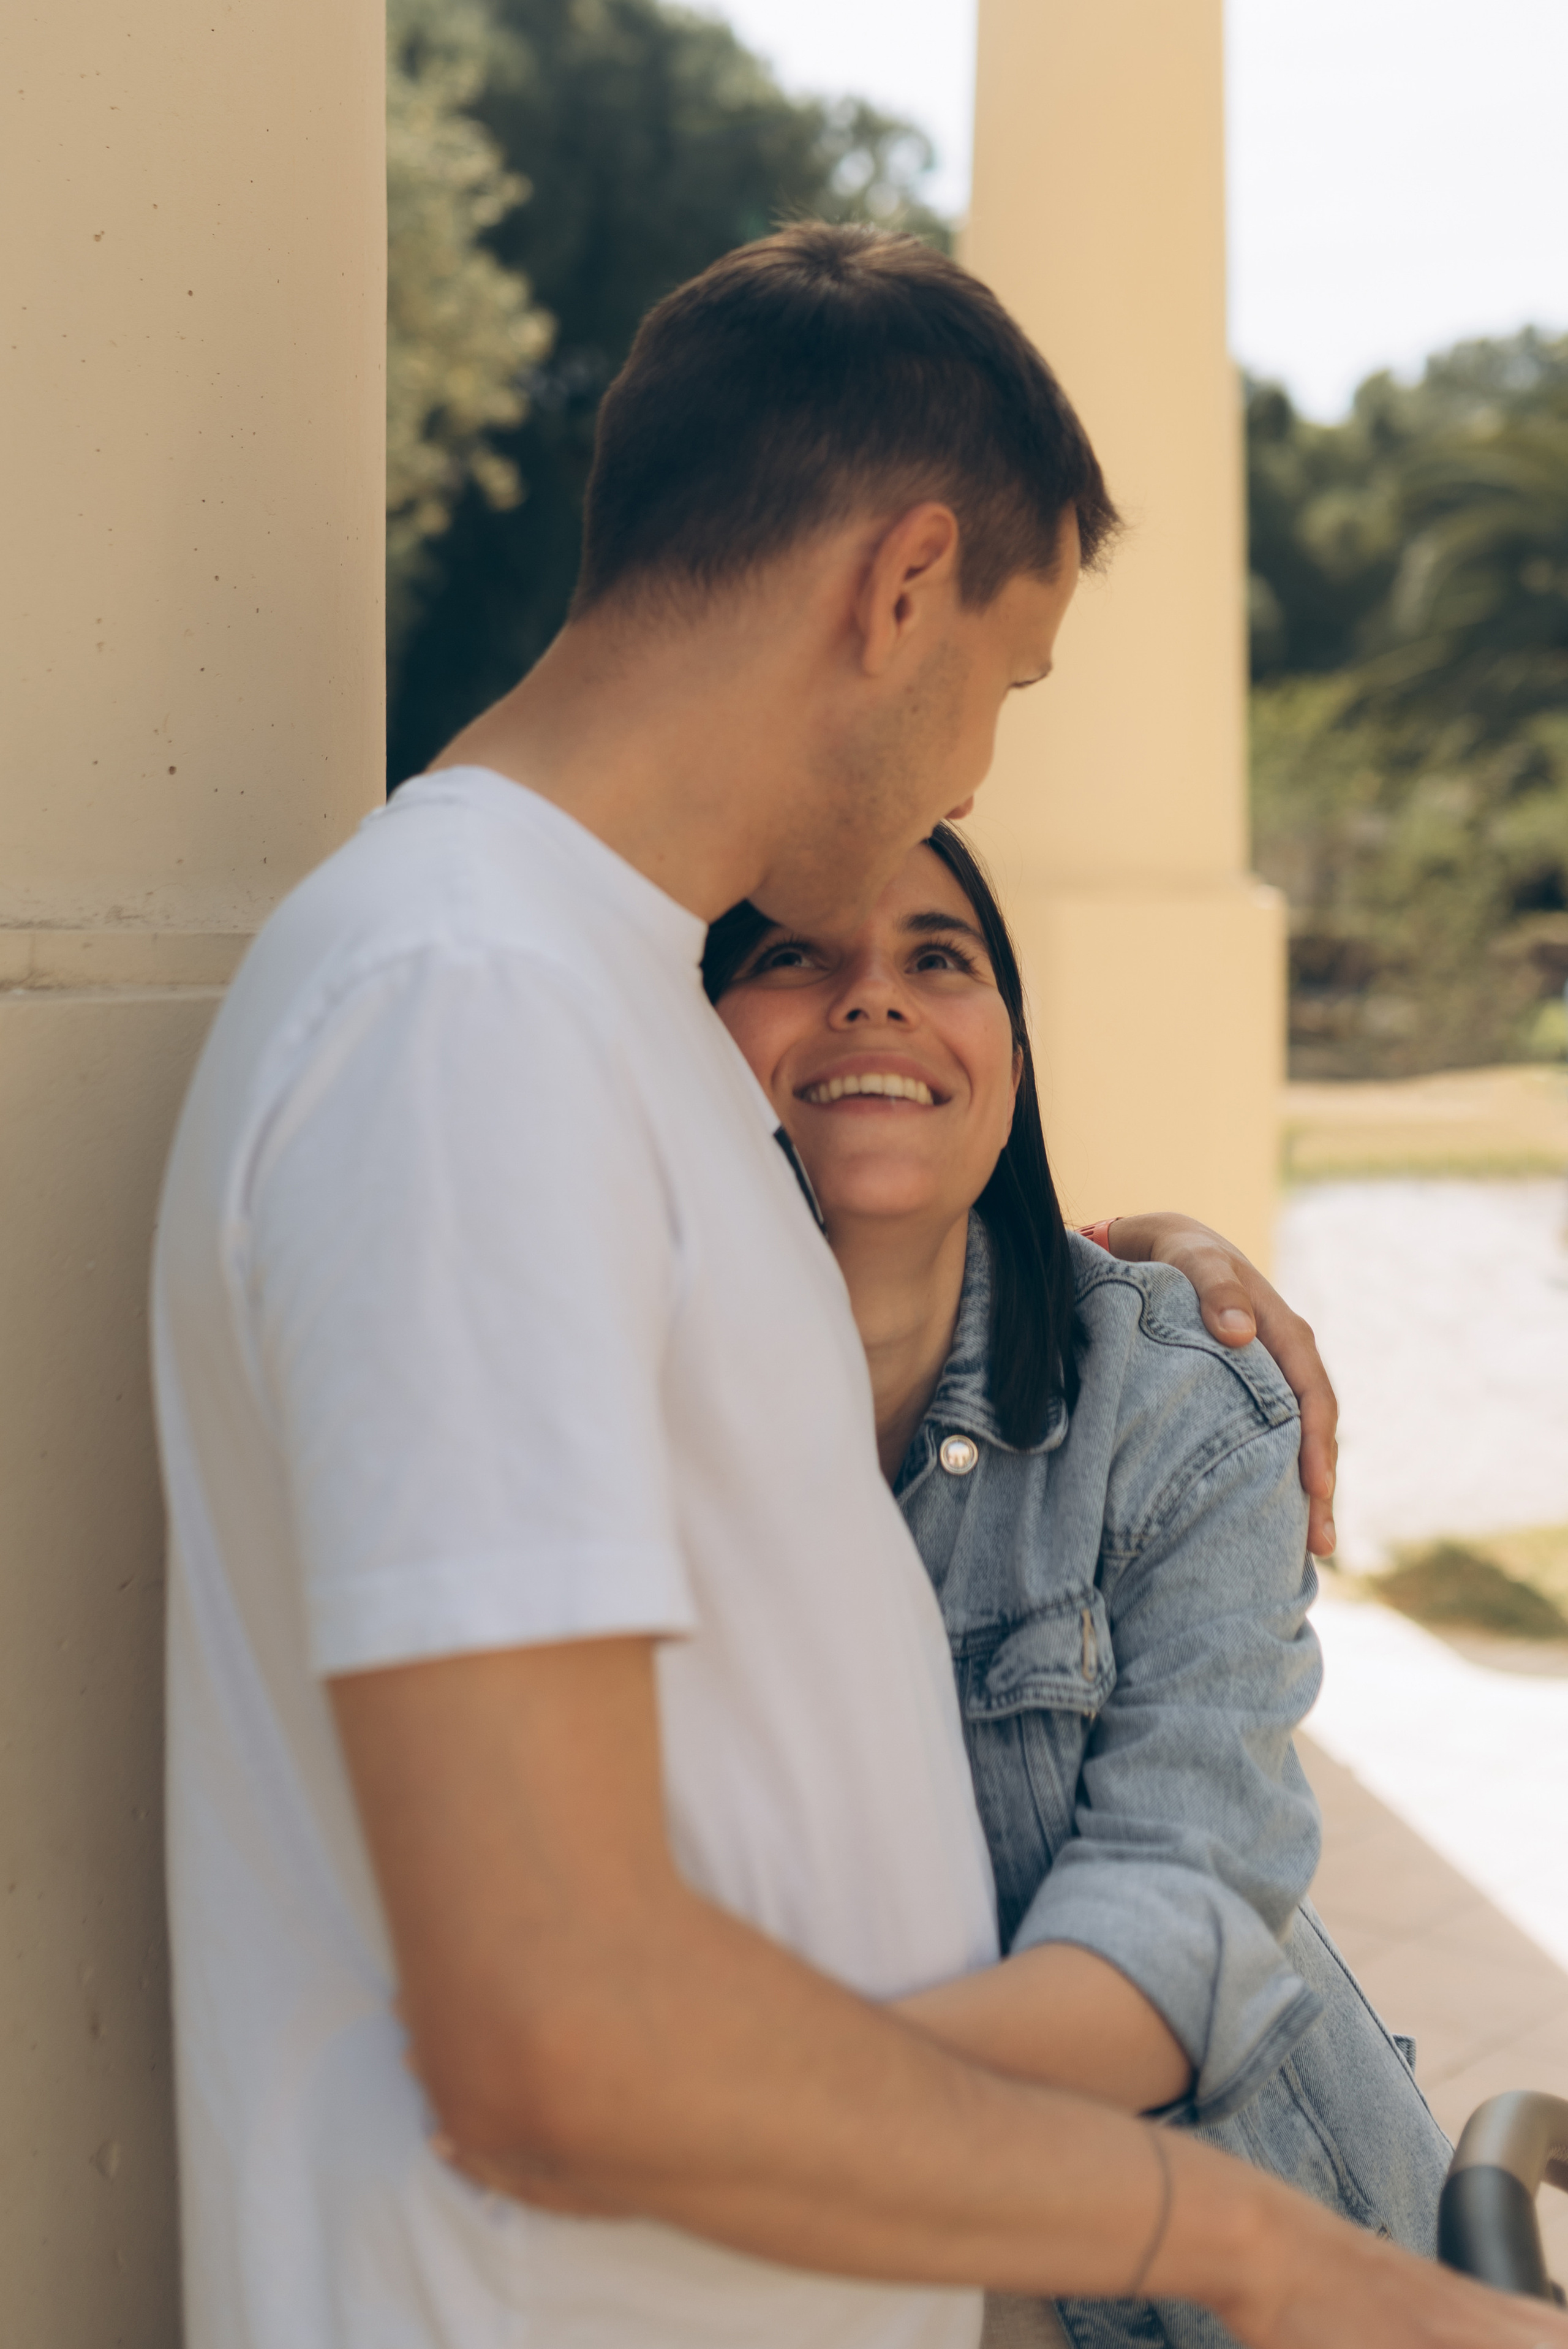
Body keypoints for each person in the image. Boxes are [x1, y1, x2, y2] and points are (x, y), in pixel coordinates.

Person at [153, 222, 1561, 2349]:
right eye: (1009, 678)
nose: (977, 770)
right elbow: (555, 2037)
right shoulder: (470, 1011)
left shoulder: (588, 1005)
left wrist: (1139, 1267)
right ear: (902, 586)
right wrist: (1259, 2247)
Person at [706, 824, 1458, 2349]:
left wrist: (688, 2117)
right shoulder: (595, 1436)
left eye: (939, 957)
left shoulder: (1171, 1403)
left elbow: (1183, 1921)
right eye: (790, 955)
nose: (873, 995)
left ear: (1011, 1060)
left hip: (1250, 2285)